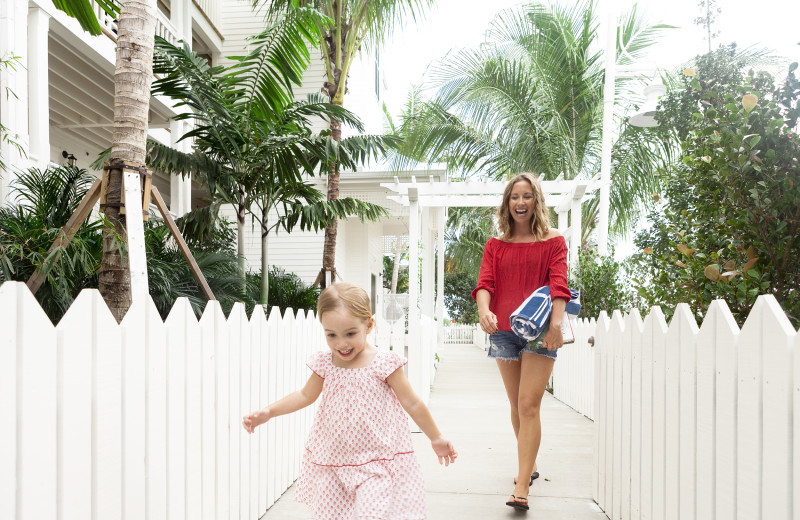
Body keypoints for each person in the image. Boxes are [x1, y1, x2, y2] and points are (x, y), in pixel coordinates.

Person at [243, 282, 458, 520]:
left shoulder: (383, 363)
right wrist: (269, 412)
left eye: (350, 334)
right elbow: (305, 395)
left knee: (371, 515)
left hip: (375, 462)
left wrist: (436, 437)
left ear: (369, 325)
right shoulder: (326, 363)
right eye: (331, 335)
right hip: (332, 462)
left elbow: (412, 403)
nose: (341, 344)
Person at [471, 173, 570, 511]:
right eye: (515, 197)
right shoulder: (495, 245)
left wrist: (556, 325)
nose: (521, 203)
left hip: (541, 330)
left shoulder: (554, 241)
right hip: (503, 330)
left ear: (536, 201)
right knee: (516, 406)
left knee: (529, 405)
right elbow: (485, 283)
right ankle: (530, 464)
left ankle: (523, 484)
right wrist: (484, 311)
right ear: (507, 203)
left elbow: (559, 285)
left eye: (527, 196)